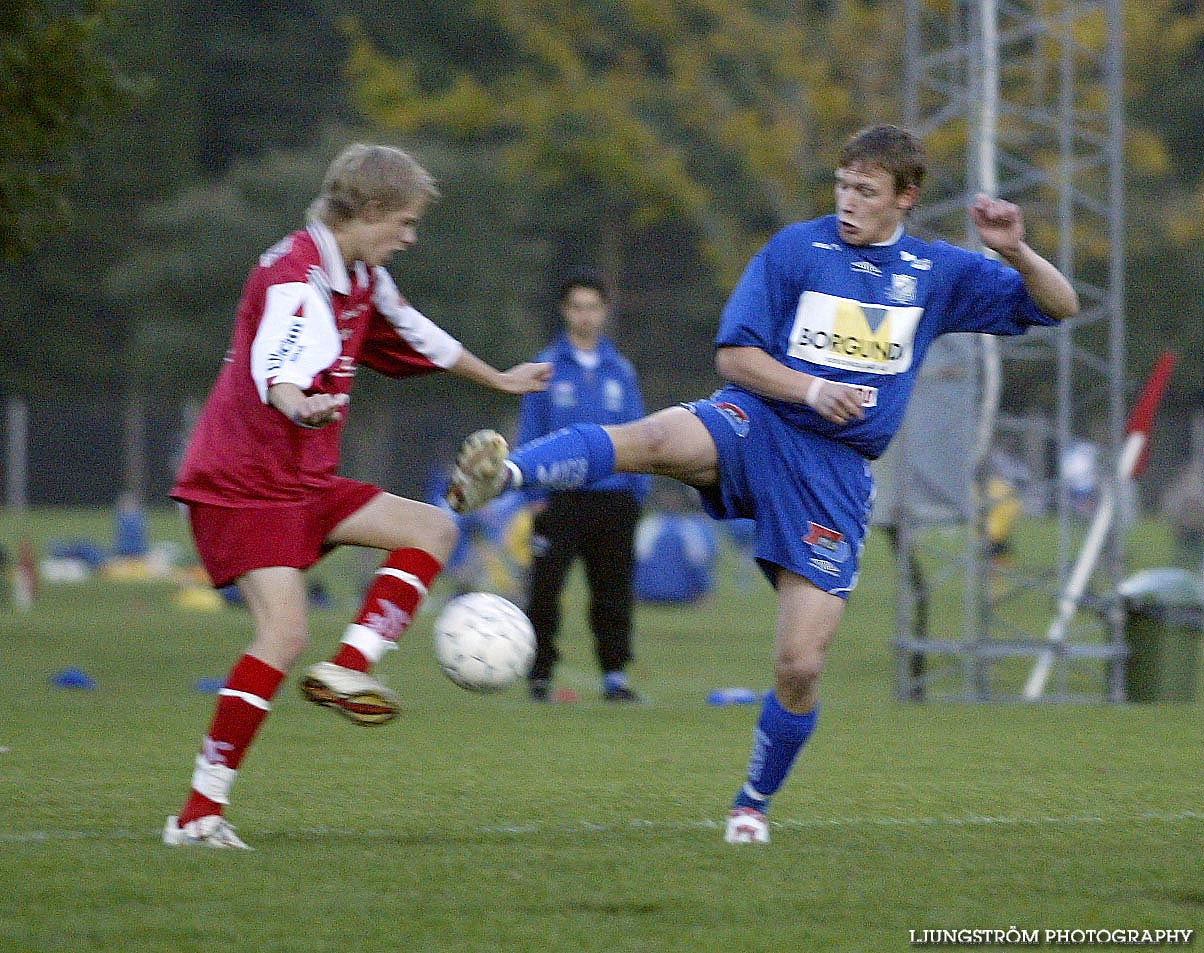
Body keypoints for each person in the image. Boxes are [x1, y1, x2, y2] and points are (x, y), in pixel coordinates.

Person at [444, 124, 1079, 844]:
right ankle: (511, 471)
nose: (848, 202)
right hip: (759, 422)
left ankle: (751, 801)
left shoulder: (936, 272)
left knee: (800, 664)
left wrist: (1016, 251)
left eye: (866, 191)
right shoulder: (795, 249)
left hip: (834, 476)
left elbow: (1059, 307)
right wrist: (809, 389)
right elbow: (734, 356)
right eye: (842, 185)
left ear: (905, 197)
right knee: (653, 440)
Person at [163, 143, 550, 849]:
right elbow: (275, 364)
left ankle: (350, 667)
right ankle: (197, 813)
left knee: (434, 529)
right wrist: (296, 402)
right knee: (281, 634)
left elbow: (417, 334)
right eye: (403, 222)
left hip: (302, 479)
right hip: (243, 483)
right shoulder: (297, 277)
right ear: (368, 212)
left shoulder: (362, 276)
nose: (410, 236)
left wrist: (499, 379)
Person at [518, 274, 651, 702]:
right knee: (545, 588)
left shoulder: (620, 370)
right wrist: (533, 494)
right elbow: (530, 431)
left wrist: (637, 492)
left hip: (614, 498)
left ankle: (615, 675)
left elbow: (640, 432)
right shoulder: (546, 366)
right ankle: (539, 674)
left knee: (613, 590)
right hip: (558, 498)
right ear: (565, 310)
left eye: (593, 307)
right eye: (577, 306)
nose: (585, 315)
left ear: (604, 312)